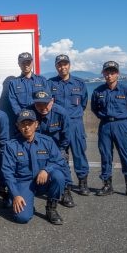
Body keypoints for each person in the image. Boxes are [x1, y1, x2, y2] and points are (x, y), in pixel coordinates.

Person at [2, 109, 71, 225]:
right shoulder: (11, 145)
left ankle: (51, 208)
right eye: (23, 124)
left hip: (42, 181)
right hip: (23, 183)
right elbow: (7, 172)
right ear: (18, 126)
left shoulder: (47, 141)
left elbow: (59, 161)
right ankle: (20, 200)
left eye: (29, 124)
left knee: (58, 176)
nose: (26, 127)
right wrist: (16, 194)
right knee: (22, 218)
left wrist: (46, 169)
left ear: (36, 125)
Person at [90, 61, 127, 198]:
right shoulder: (98, 91)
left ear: (117, 74)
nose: (109, 75)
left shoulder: (126, 90)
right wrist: (103, 117)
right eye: (107, 72)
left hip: (121, 126)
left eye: (112, 72)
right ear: (103, 74)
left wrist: (125, 121)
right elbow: (94, 108)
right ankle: (107, 185)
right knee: (105, 155)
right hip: (105, 125)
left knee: (125, 155)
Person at [48, 54, 90, 195]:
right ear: (56, 67)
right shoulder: (50, 84)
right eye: (59, 65)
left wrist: (74, 116)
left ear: (69, 65)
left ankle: (83, 182)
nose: (62, 67)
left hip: (75, 124)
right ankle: (66, 184)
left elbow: (83, 103)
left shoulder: (79, 83)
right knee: (60, 155)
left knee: (79, 154)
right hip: (58, 125)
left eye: (65, 64)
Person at [31, 90, 74, 207]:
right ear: (34, 104)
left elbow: (66, 138)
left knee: (62, 160)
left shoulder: (61, 113)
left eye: (46, 103)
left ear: (52, 101)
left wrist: (59, 151)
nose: (43, 107)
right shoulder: (30, 113)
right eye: (39, 104)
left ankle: (66, 190)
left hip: (57, 148)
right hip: (35, 148)